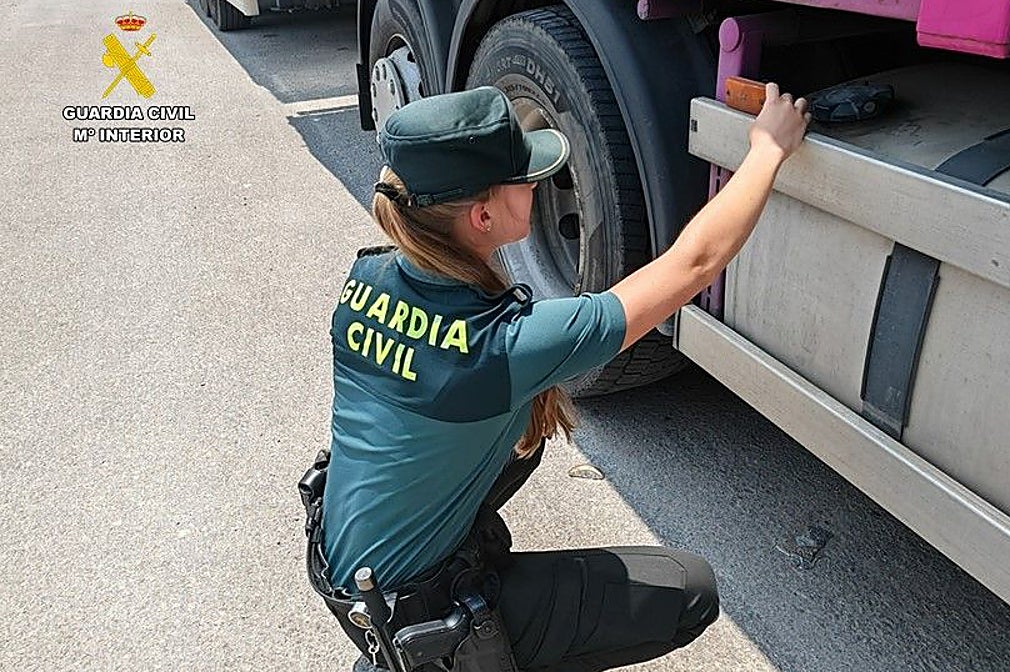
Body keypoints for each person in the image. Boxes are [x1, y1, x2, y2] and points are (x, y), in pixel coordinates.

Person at [318, 83, 810, 671]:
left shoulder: (366, 278)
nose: (537, 181)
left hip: (345, 570)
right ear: (482, 215)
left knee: (523, 444)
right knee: (689, 591)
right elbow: (694, 265)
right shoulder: (505, 348)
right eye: (522, 177)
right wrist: (766, 150)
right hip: (412, 616)